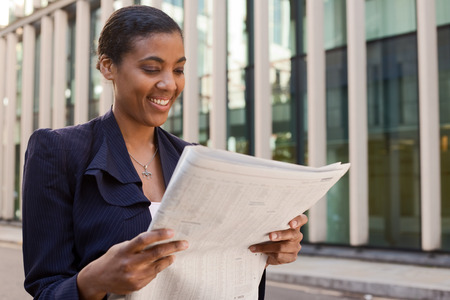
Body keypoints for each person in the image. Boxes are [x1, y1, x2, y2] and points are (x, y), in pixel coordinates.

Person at [22, 5, 308, 300]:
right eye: (151, 68)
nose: (169, 84)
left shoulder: (197, 159)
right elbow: (47, 288)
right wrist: (93, 281)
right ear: (108, 66)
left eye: (179, 69)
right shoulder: (57, 150)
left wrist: (264, 251)